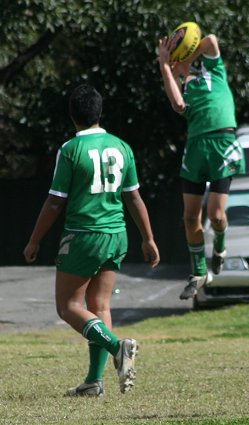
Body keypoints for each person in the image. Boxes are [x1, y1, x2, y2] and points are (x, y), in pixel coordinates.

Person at [23, 84, 160, 396]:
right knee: (100, 305)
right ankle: (93, 383)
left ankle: (117, 347)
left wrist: (34, 240)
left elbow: (56, 201)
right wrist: (148, 238)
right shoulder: (122, 146)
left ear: (72, 115)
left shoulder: (71, 150)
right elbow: (134, 197)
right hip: (117, 234)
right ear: (100, 112)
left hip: (84, 235)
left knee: (68, 306)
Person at [158, 31, 245, 300]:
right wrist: (165, 65)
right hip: (197, 147)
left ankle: (219, 247)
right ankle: (198, 273)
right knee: (189, 216)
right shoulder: (185, 87)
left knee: (216, 215)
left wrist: (186, 55)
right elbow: (177, 104)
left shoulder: (213, 71)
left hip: (222, 142)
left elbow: (211, 39)